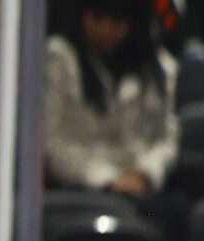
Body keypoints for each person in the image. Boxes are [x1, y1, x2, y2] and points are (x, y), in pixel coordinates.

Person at [45, 0, 182, 200]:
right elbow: (49, 143)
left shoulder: (161, 68)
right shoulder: (58, 58)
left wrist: (145, 173)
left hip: (141, 188)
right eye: (97, 18)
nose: (105, 29)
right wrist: (107, 179)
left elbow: (167, 139)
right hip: (79, 188)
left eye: (117, 21)